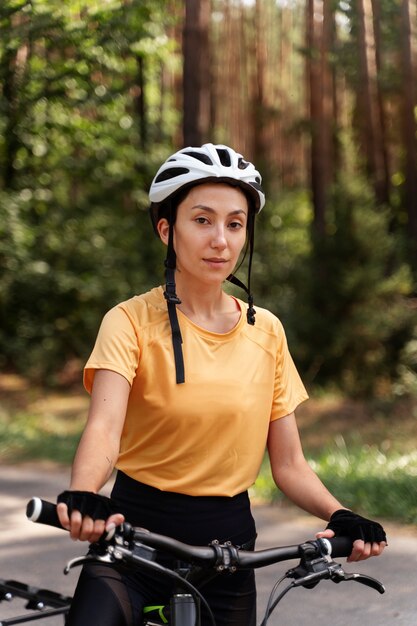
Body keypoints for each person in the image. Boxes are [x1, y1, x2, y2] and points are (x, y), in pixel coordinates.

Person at [56, 143, 386, 626]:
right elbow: (104, 430)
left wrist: (341, 515)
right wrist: (84, 494)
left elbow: (289, 464)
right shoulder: (128, 321)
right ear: (167, 230)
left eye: (235, 224)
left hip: (228, 551)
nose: (221, 240)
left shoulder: (267, 331)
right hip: (132, 542)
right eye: (202, 220)